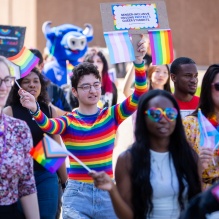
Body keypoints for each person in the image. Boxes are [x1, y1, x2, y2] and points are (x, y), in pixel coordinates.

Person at [17, 36, 148, 219]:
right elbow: (48, 125)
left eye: (96, 85)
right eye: (85, 87)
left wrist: (139, 62)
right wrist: (34, 108)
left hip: (107, 191)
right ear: (75, 92)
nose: (93, 91)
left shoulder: (111, 115)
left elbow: (140, 93)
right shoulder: (69, 120)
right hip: (77, 194)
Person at [90, 89, 202, 219]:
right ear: (143, 117)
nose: (164, 119)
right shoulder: (127, 160)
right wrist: (112, 190)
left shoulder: (190, 157)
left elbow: (197, 205)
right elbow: (127, 216)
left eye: (170, 114)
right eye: (155, 114)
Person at [4, 67, 68, 219]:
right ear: (18, 87)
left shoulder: (49, 110)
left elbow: (56, 150)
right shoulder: (10, 112)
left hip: (46, 175)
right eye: (26, 82)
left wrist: (66, 182)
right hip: (19, 179)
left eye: (36, 81)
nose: (32, 85)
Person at [0, 56, 40, 219]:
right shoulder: (12, 109)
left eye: (6, 80)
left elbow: (27, 185)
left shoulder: (19, 129)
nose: (3, 87)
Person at [183, 64, 219, 190]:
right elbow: (178, 167)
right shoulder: (190, 124)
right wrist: (199, 164)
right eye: (218, 86)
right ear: (207, 88)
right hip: (202, 194)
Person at [30, 48, 72, 115]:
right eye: (24, 67)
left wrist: (50, 107)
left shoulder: (54, 90)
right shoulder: (16, 89)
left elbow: (70, 116)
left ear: (41, 66)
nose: (27, 71)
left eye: (31, 67)